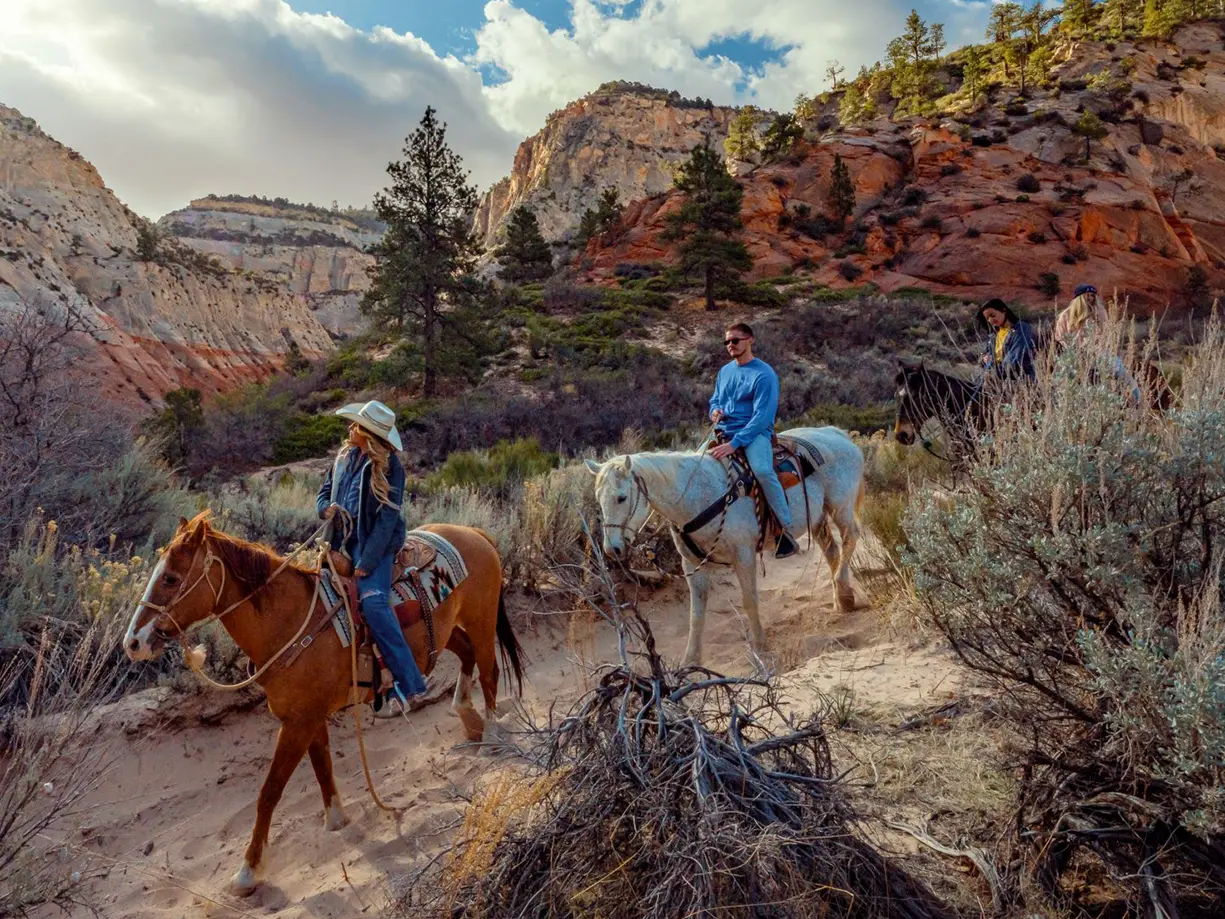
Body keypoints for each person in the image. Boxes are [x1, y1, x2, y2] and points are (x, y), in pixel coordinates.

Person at [316, 400, 426, 713]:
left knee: (374, 603)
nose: (350, 429)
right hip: (339, 541)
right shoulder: (343, 459)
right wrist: (324, 508)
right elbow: (324, 492)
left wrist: (367, 562)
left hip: (374, 545)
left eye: (356, 426)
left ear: (367, 434)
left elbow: (387, 521)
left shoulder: (391, 468)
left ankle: (409, 682)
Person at [708, 322, 799, 559]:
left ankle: (784, 531)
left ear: (750, 340)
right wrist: (715, 411)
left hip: (754, 434)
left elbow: (762, 417)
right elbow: (715, 399)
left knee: (762, 471)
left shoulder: (764, 374)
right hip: (723, 430)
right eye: (727, 342)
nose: (730, 345)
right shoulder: (725, 371)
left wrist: (734, 444)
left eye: (735, 340)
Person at [1052, 289, 1141, 403]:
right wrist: (1074, 350)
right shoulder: (1065, 316)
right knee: (1059, 379)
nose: (1090, 298)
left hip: (1099, 353)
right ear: (1079, 298)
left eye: (1092, 296)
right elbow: (1060, 336)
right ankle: (1056, 404)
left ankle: (1138, 401)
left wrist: (1098, 347)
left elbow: (1106, 333)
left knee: (1123, 374)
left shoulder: (1100, 312)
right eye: (1087, 295)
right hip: (1074, 354)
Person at [977, 298, 1037, 381]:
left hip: (1019, 379)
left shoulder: (1021, 329)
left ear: (1003, 310)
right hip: (996, 378)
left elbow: (1013, 360)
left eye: (992, 315)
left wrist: (994, 372)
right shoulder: (994, 335)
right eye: (987, 318)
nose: (990, 320)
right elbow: (983, 355)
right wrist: (984, 359)